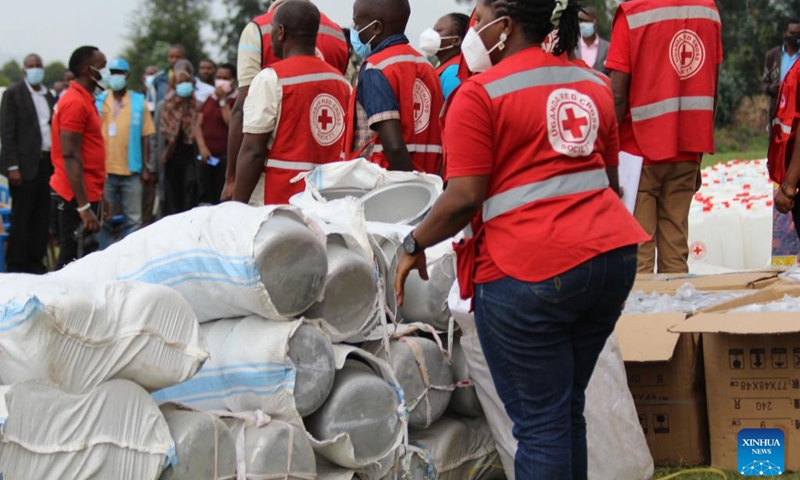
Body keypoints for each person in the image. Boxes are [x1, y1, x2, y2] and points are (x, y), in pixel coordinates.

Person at [393, 1, 648, 478]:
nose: (475, 29)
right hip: (610, 262)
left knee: (540, 424)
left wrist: (412, 245)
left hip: (530, 272)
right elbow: (609, 182)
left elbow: (464, 197)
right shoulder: (592, 84)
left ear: (504, 27)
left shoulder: (478, 95)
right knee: (564, 407)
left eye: (480, 18)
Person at [607, 0, 722, 274]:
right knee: (675, 254)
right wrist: (698, 154)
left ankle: (648, 318)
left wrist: (607, 158)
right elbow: (711, 90)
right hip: (688, 150)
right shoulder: (708, 10)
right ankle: (675, 316)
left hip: (639, 154)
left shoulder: (632, 13)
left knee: (639, 257)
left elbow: (618, 96)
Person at [222, 0, 349, 201]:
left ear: (280, 32)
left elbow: (253, 151)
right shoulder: (342, 83)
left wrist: (236, 208)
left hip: (281, 200)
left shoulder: (270, 79)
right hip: (328, 201)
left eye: (272, 28)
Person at [343, 0, 444, 174]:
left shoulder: (376, 68)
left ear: (376, 28)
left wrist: (410, 190)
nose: (356, 30)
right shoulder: (427, 66)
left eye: (358, 23)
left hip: (387, 187)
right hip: (430, 181)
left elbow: (394, 146)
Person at [50, 46, 108, 269]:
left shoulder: (86, 100)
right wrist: (84, 208)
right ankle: (55, 304)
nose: (107, 71)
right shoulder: (74, 102)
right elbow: (71, 155)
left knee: (84, 260)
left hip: (87, 190)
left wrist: (100, 196)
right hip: (73, 194)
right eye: (103, 65)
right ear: (88, 69)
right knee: (71, 260)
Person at [0, 53, 55, 273]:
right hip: (23, 166)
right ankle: (17, 264)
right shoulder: (15, 94)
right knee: (22, 217)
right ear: (24, 70)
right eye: (31, 66)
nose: (35, 70)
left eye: (38, 66)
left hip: (46, 163)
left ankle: (36, 262)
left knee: (42, 216)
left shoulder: (48, 95)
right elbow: (7, 132)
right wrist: (12, 166)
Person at [95, 58, 156, 248]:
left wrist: (146, 165)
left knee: (133, 219)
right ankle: (105, 257)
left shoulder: (139, 101)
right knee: (104, 219)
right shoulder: (100, 101)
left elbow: (146, 135)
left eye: (119, 73)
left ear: (127, 76)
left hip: (132, 169)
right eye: (112, 72)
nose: (116, 76)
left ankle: (129, 255)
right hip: (105, 170)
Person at [158, 60, 200, 216]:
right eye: (179, 82)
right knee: (171, 197)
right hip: (170, 157)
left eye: (186, 82)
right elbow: (158, 136)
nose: (183, 85)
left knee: (190, 190)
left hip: (191, 156)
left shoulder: (197, 105)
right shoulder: (165, 106)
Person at [196, 63, 237, 205]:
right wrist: (202, 147)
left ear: (232, 80)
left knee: (222, 196)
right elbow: (197, 125)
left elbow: (232, 124)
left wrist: (222, 101)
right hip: (207, 156)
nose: (221, 81)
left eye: (225, 78)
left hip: (225, 158)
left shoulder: (235, 100)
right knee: (205, 195)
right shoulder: (209, 99)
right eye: (219, 77)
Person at [420, 13, 470, 101]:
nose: (431, 34)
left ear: (456, 40)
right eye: (433, 29)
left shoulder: (453, 72)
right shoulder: (450, 67)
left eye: (438, 30)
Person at [764, 19, 800, 119]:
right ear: (785, 33)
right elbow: (764, 83)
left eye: (798, 33)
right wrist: (771, 89)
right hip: (777, 110)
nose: (796, 37)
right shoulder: (773, 55)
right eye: (792, 33)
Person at [574, 6, 609, 75]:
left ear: (595, 22)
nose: (582, 24)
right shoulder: (572, 47)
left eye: (585, 21)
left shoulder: (608, 48)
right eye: (580, 21)